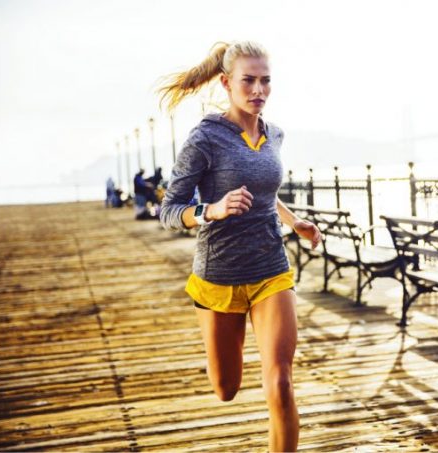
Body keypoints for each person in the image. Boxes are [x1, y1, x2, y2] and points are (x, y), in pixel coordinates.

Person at [157, 40, 321, 452]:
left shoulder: (275, 134)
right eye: (248, 81)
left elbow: (265, 192)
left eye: (266, 81)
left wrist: (293, 220)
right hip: (219, 278)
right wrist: (211, 209)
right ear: (227, 83)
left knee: (280, 381)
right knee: (226, 388)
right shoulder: (205, 139)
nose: (258, 91)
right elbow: (169, 209)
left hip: (271, 267)